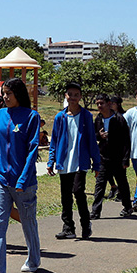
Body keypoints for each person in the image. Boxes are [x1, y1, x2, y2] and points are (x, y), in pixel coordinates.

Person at [0, 78, 42, 273]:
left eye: (9, 93)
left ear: (19, 94)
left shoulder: (32, 117)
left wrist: (22, 179)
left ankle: (33, 260)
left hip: (24, 182)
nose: (5, 97)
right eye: (3, 93)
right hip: (1, 179)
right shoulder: (1, 114)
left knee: (28, 221)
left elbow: (32, 150)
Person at [46, 82, 100, 240]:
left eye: (77, 95)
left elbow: (91, 140)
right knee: (65, 196)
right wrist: (51, 161)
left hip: (80, 162)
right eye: (70, 94)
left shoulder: (86, 116)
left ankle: (85, 224)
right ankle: (68, 227)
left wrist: (96, 163)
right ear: (66, 96)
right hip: (64, 163)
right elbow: (54, 141)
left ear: (80, 97)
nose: (73, 98)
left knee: (78, 192)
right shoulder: (59, 117)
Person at [89, 92, 132, 219]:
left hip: (118, 158)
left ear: (109, 104)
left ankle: (127, 207)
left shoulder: (119, 118)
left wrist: (125, 159)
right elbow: (93, 135)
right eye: (97, 104)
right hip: (103, 157)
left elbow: (126, 140)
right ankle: (95, 211)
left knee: (122, 183)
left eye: (102, 103)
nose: (99, 106)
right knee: (100, 184)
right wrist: (99, 136)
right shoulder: (98, 119)